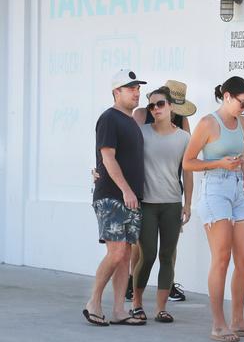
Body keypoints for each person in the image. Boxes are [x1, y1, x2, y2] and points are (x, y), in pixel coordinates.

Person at [183, 76, 244, 342]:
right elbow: (188, 162)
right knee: (221, 258)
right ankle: (218, 324)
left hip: (238, 190)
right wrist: (219, 164)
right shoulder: (208, 123)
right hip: (214, 190)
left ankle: (238, 319)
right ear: (227, 96)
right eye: (243, 103)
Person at [83, 69, 147, 327]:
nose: (136, 92)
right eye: (130, 88)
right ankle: (93, 302)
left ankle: (120, 309)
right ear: (116, 92)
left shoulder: (132, 121)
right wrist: (126, 190)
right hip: (112, 195)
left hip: (130, 198)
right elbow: (107, 156)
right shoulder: (109, 118)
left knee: (126, 252)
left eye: (137, 88)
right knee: (117, 250)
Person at [128, 79, 197, 303]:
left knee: (167, 256)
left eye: (160, 104)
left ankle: (161, 307)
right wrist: (100, 169)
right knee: (146, 255)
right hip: (146, 202)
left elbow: (187, 170)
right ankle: (135, 300)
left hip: (172, 202)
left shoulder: (184, 135)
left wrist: (187, 204)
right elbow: (120, 152)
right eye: (152, 105)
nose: (155, 108)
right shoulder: (141, 129)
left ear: (172, 107)